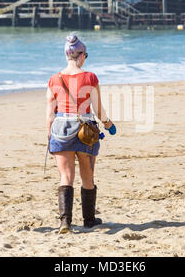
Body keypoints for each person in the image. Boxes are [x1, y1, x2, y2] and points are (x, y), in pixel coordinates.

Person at [46, 34, 117, 234]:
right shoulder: (90, 77)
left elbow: (50, 112)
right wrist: (109, 125)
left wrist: (49, 135)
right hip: (84, 130)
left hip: (60, 128)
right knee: (87, 175)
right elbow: (98, 110)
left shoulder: (54, 79)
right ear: (82, 55)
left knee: (65, 176)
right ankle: (89, 220)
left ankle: (65, 222)